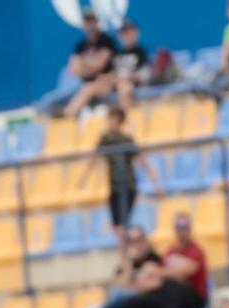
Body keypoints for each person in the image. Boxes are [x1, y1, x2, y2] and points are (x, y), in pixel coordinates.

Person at [78, 103, 163, 240]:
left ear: (119, 120)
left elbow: (143, 161)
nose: (110, 122)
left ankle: (128, 253)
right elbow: (94, 158)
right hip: (114, 186)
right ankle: (126, 254)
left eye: (113, 119)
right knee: (118, 226)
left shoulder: (125, 139)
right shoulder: (106, 138)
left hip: (128, 186)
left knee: (122, 225)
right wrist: (84, 177)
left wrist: (156, 184)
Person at [48, 7, 119, 119]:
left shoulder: (106, 40)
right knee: (54, 98)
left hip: (106, 82)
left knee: (88, 88)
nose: (89, 25)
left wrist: (84, 65)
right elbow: (73, 69)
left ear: (97, 22)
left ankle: (67, 115)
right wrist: (90, 66)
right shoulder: (81, 45)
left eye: (91, 21)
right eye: (87, 21)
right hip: (87, 83)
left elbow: (100, 64)